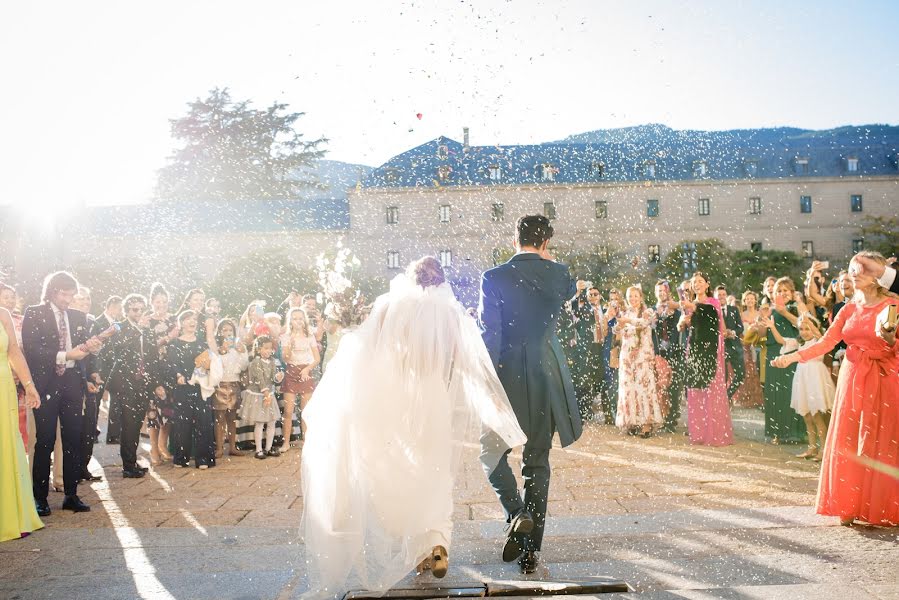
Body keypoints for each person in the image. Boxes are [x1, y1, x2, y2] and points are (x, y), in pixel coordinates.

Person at [301, 257, 524, 594]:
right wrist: (491, 401)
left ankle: (416, 541)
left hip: (398, 397)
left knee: (404, 468)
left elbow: (364, 351)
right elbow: (468, 363)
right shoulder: (450, 313)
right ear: (441, 281)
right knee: (435, 471)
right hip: (435, 398)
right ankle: (434, 542)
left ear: (408, 278)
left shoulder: (390, 307)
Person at [479, 214, 583, 574]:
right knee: (537, 460)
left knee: (491, 451)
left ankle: (516, 511)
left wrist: (485, 380)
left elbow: (490, 334)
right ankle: (529, 550)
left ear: (514, 239)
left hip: (508, 373)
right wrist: (550, 261)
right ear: (546, 242)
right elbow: (570, 295)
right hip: (547, 373)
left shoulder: (493, 277)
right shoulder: (560, 273)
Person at [772, 251, 898, 526]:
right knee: (850, 438)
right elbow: (825, 343)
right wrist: (792, 357)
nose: (856, 273)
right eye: (854, 268)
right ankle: (849, 502)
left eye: (863, 269)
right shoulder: (849, 308)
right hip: (852, 378)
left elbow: (895, 343)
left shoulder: (893, 304)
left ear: (878, 274)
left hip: (885, 378)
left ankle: (882, 505)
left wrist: (890, 340)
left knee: (881, 440)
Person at [22, 271, 101, 515]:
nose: (68, 299)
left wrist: (93, 349)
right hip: (46, 384)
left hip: (72, 383)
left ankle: (71, 494)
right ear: (52, 291)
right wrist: (65, 355)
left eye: (71, 295)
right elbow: (32, 351)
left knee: (72, 440)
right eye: (64, 294)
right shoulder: (34, 313)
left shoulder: (78, 316)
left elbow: (83, 350)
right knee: (44, 441)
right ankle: (40, 497)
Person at [1, 306, 44, 542]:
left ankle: (11, 515)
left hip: (3, 388)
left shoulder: (3, 314)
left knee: (6, 446)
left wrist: (29, 385)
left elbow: (14, 351)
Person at [678, 272, 733, 446]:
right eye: (694, 282)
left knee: (711, 390)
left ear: (707, 285)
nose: (697, 284)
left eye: (700, 281)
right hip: (694, 348)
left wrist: (693, 308)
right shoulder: (690, 304)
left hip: (710, 350)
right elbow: (683, 326)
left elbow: (716, 321)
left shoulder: (712, 303)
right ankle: (699, 432)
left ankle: (714, 432)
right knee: (696, 390)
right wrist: (683, 321)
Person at [104, 294, 153, 478]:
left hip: (142, 383)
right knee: (128, 423)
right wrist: (138, 329)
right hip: (125, 383)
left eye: (141, 309)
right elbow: (120, 350)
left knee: (137, 423)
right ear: (126, 311)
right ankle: (128, 465)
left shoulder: (146, 329)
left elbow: (151, 354)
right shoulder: (120, 328)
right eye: (134, 309)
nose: (138, 312)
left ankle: (132, 460)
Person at [776, 315, 835, 461]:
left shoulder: (818, 341)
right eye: (801, 329)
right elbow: (782, 341)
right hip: (802, 378)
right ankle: (812, 447)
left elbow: (819, 334)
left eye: (807, 328)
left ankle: (823, 448)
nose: (804, 332)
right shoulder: (799, 343)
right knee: (807, 416)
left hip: (815, 378)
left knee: (816, 416)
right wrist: (771, 326)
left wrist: (809, 321)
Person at [167, 310, 216, 469]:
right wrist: (178, 375)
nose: (191, 321)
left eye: (194, 319)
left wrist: (204, 372)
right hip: (182, 388)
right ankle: (181, 458)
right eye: (187, 319)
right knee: (182, 423)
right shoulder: (174, 343)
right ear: (181, 323)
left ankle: (203, 459)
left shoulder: (202, 342)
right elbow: (172, 363)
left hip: (201, 387)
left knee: (204, 422)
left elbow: (209, 362)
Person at [760, 278, 806, 444]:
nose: (782, 293)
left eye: (786, 290)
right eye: (779, 291)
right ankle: (777, 432)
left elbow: (804, 324)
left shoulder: (797, 306)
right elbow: (762, 335)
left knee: (791, 392)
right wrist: (762, 322)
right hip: (773, 352)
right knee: (775, 393)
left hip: (794, 352)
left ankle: (796, 432)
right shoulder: (769, 309)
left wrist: (785, 311)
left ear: (792, 292)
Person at [615, 286, 662, 437]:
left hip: (643, 357)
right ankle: (632, 421)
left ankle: (646, 424)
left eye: (635, 296)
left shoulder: (648, 312)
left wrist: (627, 320)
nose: (633, 299)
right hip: (627, 358)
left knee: (644, 388)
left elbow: (643, 323)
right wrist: (617, 326)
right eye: (630, 296)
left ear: (641, 297)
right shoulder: (624, 313)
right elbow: (618, 332)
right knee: (629, 389)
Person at [280, 308, 320, 443]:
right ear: (290, 320)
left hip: (305, 372)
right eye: (295, 318)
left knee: (306, 411)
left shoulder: (309, 336)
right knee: (288, 411)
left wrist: (307, 369)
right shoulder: (286, 336)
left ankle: (306, 441)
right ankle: (285, 443)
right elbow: (285, 358)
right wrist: (290, 345)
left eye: (300, 318)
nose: (298, 321)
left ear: (304, 320)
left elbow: (317, 358)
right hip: (291, 371)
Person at [240, 336, 282, 459]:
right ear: (259, 349)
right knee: (259, 422)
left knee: (272, 421)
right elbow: (259, 379)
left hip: (269, 394)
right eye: (266, 348)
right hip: (259, 395)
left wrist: (278, 377)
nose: (269, 351)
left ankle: (268, 448)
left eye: (270, 348)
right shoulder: (255, 362)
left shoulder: (273, 361)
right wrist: (266, 393)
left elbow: (272, 378)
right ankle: (258, 449)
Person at [212, 319, 247, 458]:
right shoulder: (216, 348)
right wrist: (222, 352)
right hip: (220, 385)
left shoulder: (239, 346)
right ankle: (219, 448)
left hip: (234, 383)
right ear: (220, 332)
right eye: (224, 330)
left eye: (230, 330)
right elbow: (215, 367)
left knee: (232, 418)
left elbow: (244, 366)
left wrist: (242, 352)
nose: (227, 333)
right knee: (219, 417)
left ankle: (232, 446)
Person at [733, 291, 763, 408]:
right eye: (747, 299)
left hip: (757, 345)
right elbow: (739, 330)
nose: (750, 301)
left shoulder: (760, 313)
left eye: (752, 298)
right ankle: (746, 399)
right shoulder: (741, 315)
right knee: (746, 371)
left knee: (757, 371)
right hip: (745, 346)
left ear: (755, 300)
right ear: (744, 301)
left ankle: (758, 399)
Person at [716, 285, 744, 401]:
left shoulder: (734, 310)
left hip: (735, 347)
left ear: (726, 296)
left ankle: (727, 396)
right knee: (723, 377)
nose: (722, 297)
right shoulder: (713, 311)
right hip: (721, 348)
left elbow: (740, 327)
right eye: (719, 295)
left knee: (741, 375)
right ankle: (721, 401)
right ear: (715, 297)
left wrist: (732, 332)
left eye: (723, 294)